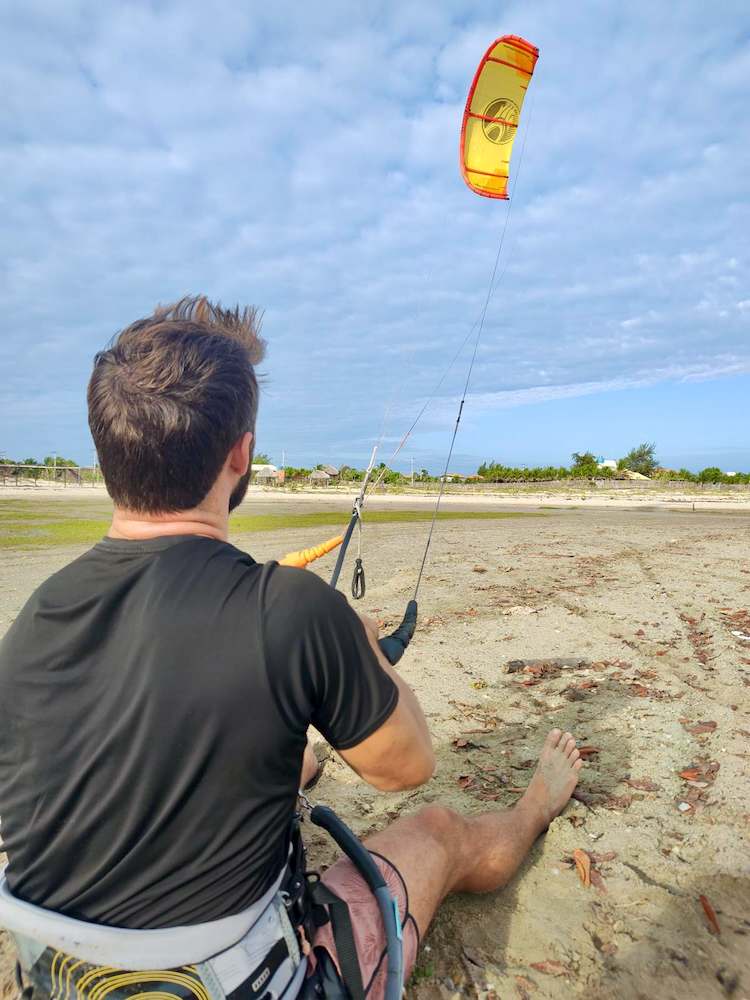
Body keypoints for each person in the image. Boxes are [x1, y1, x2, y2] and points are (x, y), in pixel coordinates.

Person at [0, 298, 583, 999]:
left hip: (55, 980)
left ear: (107, 453)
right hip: (238, 980)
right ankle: (536, 807)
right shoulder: (296, 609)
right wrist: (360, 641)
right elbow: (408, 767)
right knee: (436, 830)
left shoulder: (35, 616)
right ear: (240, 454)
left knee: (296, 762)